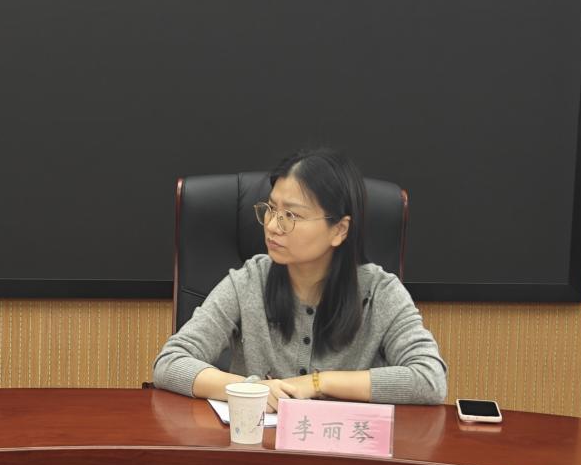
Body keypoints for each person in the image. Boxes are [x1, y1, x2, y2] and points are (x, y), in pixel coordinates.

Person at [153, 148, 446, 412]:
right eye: (270, 209)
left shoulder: (380, 292)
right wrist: (251, 389)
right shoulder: (249, 281)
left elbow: (429, 379)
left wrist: (318, 383)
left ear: (339, 230)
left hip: (344, 450)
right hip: (260, 447)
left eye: (291, 215)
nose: (272, 226)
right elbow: (170, 362)